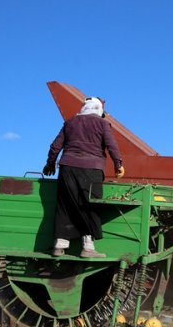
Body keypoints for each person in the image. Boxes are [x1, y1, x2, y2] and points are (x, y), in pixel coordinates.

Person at [43, 96, 125, 258]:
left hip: (67, 168)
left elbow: (55, 146)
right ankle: (87, 248)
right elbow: (111, 145)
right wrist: (118, 164)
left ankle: (59, 244)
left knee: (64, 204)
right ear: (98, 110)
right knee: (90, 205)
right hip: (92, 169)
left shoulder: (70, 123)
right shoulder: (102, 124)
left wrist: (50, 164)